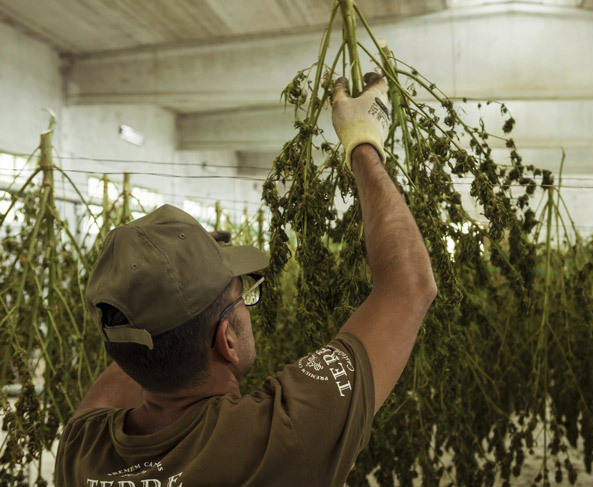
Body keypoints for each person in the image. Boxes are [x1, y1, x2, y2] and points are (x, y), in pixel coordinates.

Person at [53, 73, 437, 487]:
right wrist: (363, 142)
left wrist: (177, 271)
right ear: (226, 341)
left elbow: (144, 342)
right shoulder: (276, 440)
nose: (248, 307)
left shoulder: (82, 452)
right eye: (243, 298)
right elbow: (409, 286)